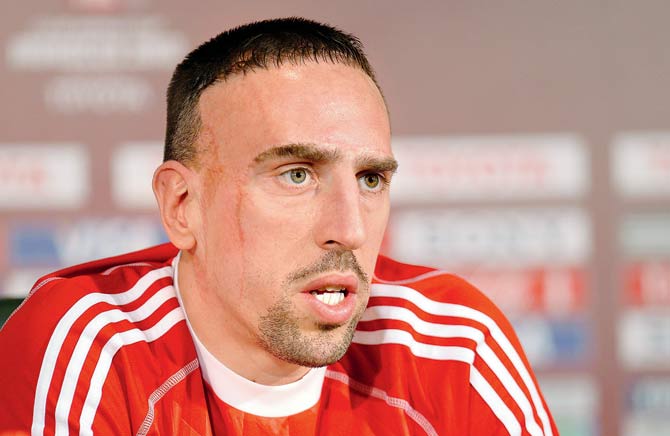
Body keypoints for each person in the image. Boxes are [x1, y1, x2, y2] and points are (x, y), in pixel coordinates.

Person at [0, 17, 558, 436]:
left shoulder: (454, 346)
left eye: (370, 179)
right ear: (182, 206)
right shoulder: (89, 346)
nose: (350, 231)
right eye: (297, 175)